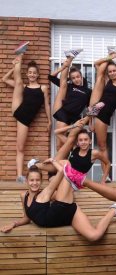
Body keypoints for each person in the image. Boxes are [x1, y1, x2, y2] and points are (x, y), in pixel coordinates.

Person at [0, 164, 116, 242]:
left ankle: (70, 174)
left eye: (37, 180)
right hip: (65, 217)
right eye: (31, 180)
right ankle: (114, 210)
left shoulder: (45, 194)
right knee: (93, 236)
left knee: (94, 236)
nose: (34, 183)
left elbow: (58, 181)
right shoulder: (24, 196)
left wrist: (56, 166)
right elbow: (27, 218)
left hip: (67, 209)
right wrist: (14, 224)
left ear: (41, 181)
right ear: (26, 181)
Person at [1, 42, 51, 182]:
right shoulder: (24, 85)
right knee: (18, 83)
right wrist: (13, 66)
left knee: (20, 147)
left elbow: (46, 105)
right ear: (27, 74)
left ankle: (18, 176)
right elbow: (4, 79)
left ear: (38, 74)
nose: (32, 75)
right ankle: (20, 56)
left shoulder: (43, 88)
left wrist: (48, 121)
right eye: (29, 73)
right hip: (19, 111)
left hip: (25, 118)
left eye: (34, 73)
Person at [28, 116, 110, 184]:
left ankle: (35, 165)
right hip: (61, 172)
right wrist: (73, 126)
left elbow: (107, 163)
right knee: (67, 150)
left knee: (63, 166)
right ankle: (36, 165)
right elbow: (56, 132)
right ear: (77, 142)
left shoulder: (94, 153)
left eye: (86, 140)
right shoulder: (75, 147)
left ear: (90, 141)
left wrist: (103, 180)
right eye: (80, 140)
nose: (83, 142)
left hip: (71, 178)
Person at [89, 47, 116, 182]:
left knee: (103, 146)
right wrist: (110, 57)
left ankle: (106, 175)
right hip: (99, 114)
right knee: (102, 146)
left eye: (114, 70)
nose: (111, 73)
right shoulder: (105, 81)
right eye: (109, 71)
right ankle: (106, 176)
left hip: (106, 116)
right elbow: (96, 64)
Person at [50, 48, 92, 150]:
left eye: (78, 77)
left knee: (64, 142)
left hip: (74, 117)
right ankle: (69, 58)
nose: (76, 79)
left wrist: (90, 122)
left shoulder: (88, 91)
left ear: (81, 76)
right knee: (59, 144)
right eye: (73, 78)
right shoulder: (69, 86)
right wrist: (62, 68)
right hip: (63, 113)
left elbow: (89, 108)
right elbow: (51, 77)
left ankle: (68, 157)